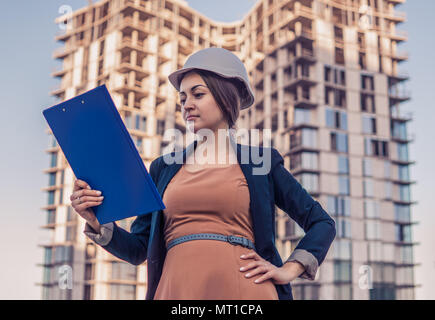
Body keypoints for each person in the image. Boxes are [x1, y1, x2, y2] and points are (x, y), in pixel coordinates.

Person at [70, 47, 336, 300]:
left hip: (245, 290)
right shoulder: (163, 168)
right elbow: (138, 249)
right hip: (176, 290)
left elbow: (322, 223)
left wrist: (289, 269)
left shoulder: (260, 162)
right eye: (183, 98)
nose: (186, 105)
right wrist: (97, 222)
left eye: (198, 94)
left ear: (226, 96)